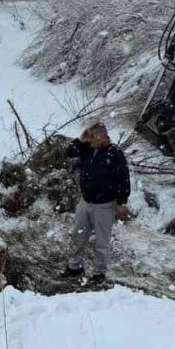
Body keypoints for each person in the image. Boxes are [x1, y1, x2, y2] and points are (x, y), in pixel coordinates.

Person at [60, 122, 131, 284]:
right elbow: (70, 151)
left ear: (103, 136)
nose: (90, 139)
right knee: (78, 235)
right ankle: (75, 266)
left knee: (101, 240)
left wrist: (121, 202)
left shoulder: (114, 154)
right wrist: (81, 139)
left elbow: (123, 178)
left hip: (105, 204)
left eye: (93, 136)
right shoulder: (88, 149)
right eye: (89, 136)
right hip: (85, 202)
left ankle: (99, 273)